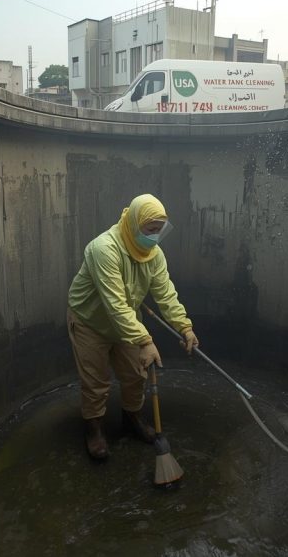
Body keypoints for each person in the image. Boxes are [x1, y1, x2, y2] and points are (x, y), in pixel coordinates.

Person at [66, 193, 200, 460]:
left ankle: (132, 419)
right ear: (134, 224)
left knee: (136, 374)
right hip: (90, 321)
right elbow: (114, 305)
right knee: (96, 381)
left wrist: (184, 327)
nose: (154, 237)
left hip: (126, 321)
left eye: (159, 231)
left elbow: (165, 294)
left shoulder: (154, 254)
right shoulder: (104, 249)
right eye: (150, 230)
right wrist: (146, 341)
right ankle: (93, 430)